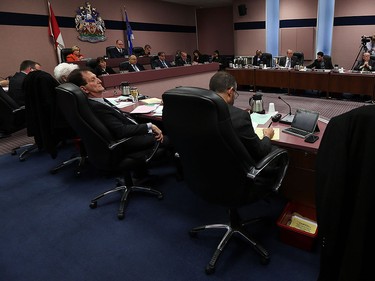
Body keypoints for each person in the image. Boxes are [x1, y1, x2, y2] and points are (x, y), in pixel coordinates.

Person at [67, 68, 164, 152]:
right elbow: (121, 131)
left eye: (96, 77)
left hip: (131, 130)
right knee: (172, 135)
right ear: (84, 89)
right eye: (93, 80)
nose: (99, 81)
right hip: (128, 140)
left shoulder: (97, 101)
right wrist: (150, 126)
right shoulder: (97, 107)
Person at [209, 71, 274, 161]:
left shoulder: (199, 112)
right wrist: (267, 136)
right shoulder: (240, 117)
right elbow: (260, 152)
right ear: (230, 92)